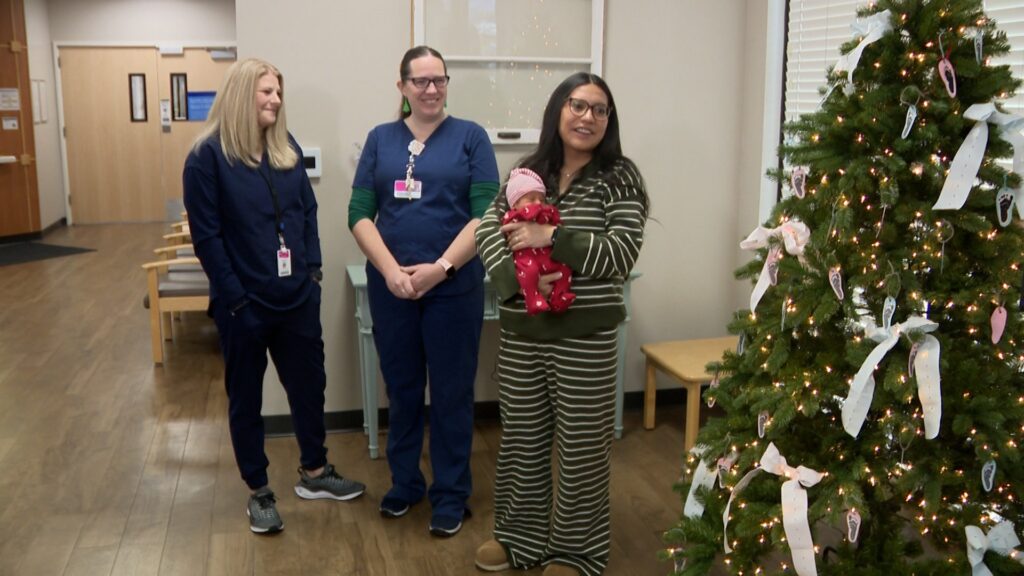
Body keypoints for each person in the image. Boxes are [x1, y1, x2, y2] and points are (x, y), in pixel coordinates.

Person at [474, 73, 649, 576]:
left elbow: (621, 253)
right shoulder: (527, 173)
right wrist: (517, 281)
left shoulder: (621, 177)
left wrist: (551, 236)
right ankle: (519, 539)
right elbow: (488, 230)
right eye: (577, 105)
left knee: (581, 451)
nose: (587, 117)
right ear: (558, 110)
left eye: (599, 109)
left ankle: (576, 552)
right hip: (523, 334)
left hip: (586, 338)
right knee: (522, 442)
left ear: (609, 121)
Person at [183, 58, 365, 535]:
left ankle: (314, 471)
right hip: (242, 304)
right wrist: (236, 301)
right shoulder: (206, 157)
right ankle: (259, 490)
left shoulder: (286, 149)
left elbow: (307, 210)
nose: (276, 100)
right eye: (266, 92)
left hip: (296, 297)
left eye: (278, 92)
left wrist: (312, 272)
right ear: (241, 94)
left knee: (309, 386)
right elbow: (207, 239)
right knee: (246, 399)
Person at [347, 45, 499, 538]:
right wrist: (392, 271)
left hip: (453, 288)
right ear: (402, 86)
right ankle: (406, 484)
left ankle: (451, 494)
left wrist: (440, 268)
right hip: (392, 287)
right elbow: (359, 214)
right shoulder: (381, 139)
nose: (432, 89)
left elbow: (485, 217)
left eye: (439, 80)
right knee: (403, 389)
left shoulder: (471, 138)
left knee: (452, 393)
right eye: (421, 81)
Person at [501, 167, 575, 315]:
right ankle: (533, 299)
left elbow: (556, 222)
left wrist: (554, 223)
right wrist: (545, 212)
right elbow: (530, 215)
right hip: (527, 259)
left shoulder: (544, 211)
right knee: (530, 273)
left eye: (541, 199)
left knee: (565, 269)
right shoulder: (512, 217)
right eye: (531, 199)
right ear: (514, 204)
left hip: (548, 256)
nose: (538, 203)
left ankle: (559, 296)